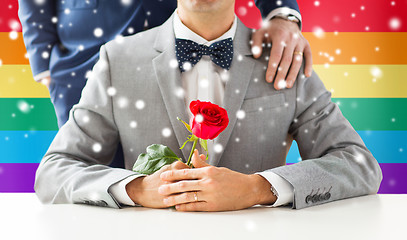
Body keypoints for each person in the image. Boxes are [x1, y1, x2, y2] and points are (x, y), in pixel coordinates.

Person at [34, 0, 382, 211]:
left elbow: (359, 164)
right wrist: (138, 190)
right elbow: (53, 171)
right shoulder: (118, 61)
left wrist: (257, 189)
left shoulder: (283, 59)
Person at [18, 0, 312, 128]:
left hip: (182, 48)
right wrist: (43, 63)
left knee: (181, 182)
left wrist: (280, 12)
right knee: (92, 187)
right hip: (81, 61)